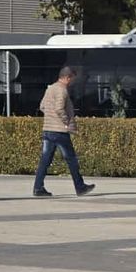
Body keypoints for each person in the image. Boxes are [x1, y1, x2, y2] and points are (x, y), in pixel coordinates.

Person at [33, 67, 95, 197]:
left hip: (48, 129)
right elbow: (59, 108)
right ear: (67, 77)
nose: (72, 82)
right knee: (71, 159)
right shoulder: (62, 90)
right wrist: (66, 121)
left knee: (45, 159)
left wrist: (50, 117)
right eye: (72, 79)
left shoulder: (50, 88)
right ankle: (80, 187)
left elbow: (42, 106)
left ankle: (38, 188)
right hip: (59, 131)